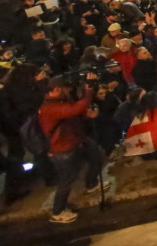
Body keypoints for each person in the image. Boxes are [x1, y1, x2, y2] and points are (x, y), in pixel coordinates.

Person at [38, 75, 108, 224]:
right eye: (66, 88)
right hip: (62, 148)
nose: (68, 91)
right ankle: (57, 211)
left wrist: (87, 114)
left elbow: (76, 111)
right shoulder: (49, 108)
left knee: (97, 155)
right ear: (57, 89)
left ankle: (91, 183)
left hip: (77, 139)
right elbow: (75, 109)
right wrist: (88, 92)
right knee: (67, 179)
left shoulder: (61, 101)